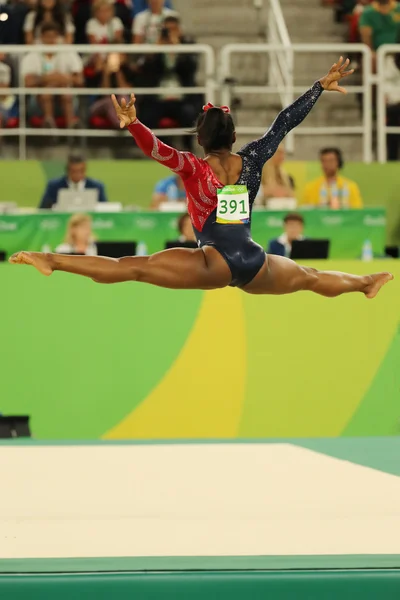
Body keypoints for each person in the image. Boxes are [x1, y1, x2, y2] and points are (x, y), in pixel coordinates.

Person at [10, 57, 393, 301]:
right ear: (234, 138)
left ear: (199, 139)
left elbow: (157, 149)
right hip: (254, 259)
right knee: (310, 276)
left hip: (215, 260)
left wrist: (134, 124)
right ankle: (365, 283)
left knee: (132, 267)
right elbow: (284, 123)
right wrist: (317, 88)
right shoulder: (253, 160)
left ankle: (50, 260)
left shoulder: (194, 167)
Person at [137, 15, 199, 151]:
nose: (170, 33)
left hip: (181, 98)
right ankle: (163, 149)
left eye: (173, 29)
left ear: (179, 30)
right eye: (167, 30)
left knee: (189, 114)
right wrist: (156, 49)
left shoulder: (188, 46)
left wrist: (177, 49)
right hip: (158, 97)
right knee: (146, 116)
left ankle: (188, 149)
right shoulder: (156, 47)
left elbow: (190, 69)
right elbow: (146, 70)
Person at [21, 22, 83, 129]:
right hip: (37, 101)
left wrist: (57, 80)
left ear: (59, 37)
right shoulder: (32, 54)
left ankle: (71, 127)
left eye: (54, 36)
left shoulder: (69, 53)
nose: (51, 40)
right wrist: (48, 79)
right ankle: (48, 124)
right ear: (41, 37)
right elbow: (27, 82)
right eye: (48, 37)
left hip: (66, 97)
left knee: (65, 93)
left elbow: (80, 80)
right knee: (46, 92)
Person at [39, 154, 108, 209]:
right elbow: (43, 210)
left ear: (85, 170)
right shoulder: (54, 186)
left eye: (81, 171)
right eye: (74, 171)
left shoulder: (97, 187)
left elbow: (106, 210)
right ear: (67, 171)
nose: (77, 175)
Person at [359, 0, 400, 70]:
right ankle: (373, 80)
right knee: (370, 58)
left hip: (398, 51)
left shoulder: (398, 8)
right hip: (377, 53)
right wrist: (371, 51)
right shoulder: (368, 12)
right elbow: (365, 35)